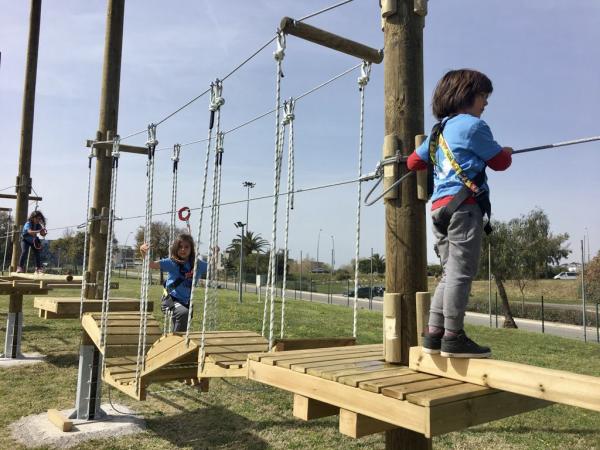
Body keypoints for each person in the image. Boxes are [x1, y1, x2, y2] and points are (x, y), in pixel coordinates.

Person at [407, 69, 513, 358]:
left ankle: (435, 332)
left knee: (448, 273)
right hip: (464, 209)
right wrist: (506, 151)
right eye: (483, 96)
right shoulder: (474, 127)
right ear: (467, 95)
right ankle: (453, 335)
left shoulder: (437, 132)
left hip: (439, 210)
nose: (486, 104)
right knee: (461, 273)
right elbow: (500, 162)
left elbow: (413, 162)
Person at [140, 234, 196, 332]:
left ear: (191, 249)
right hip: (170, 301)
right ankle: (177, 342)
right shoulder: (172, 262)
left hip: (186, 303)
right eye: (180, 247)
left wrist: (215, 254)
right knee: (183, 314)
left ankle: (176, 340)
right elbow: (152, 264)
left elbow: (210, 267)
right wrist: (143, 252)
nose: (183, 249)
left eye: (186, 247)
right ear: (175, 248)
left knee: (182, 321)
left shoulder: (195, 264)